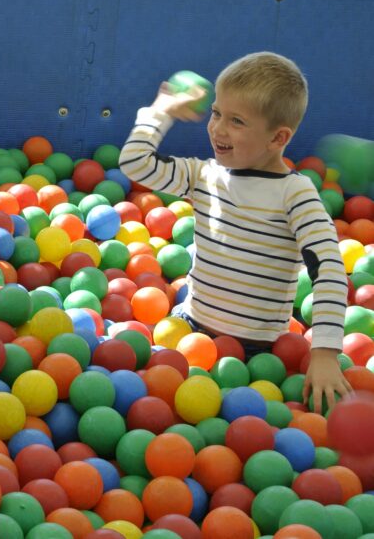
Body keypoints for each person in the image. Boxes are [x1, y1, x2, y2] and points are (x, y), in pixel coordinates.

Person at [118, 51, 351, 414]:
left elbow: (329, 269)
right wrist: (159, 113)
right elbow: (135, 163)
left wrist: (324, 352)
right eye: (215, 113)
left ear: (278, 138)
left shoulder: (295, 194)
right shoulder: (203, 175)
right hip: (189, 329)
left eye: (236, 121)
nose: (217, 128)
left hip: (258, 356)